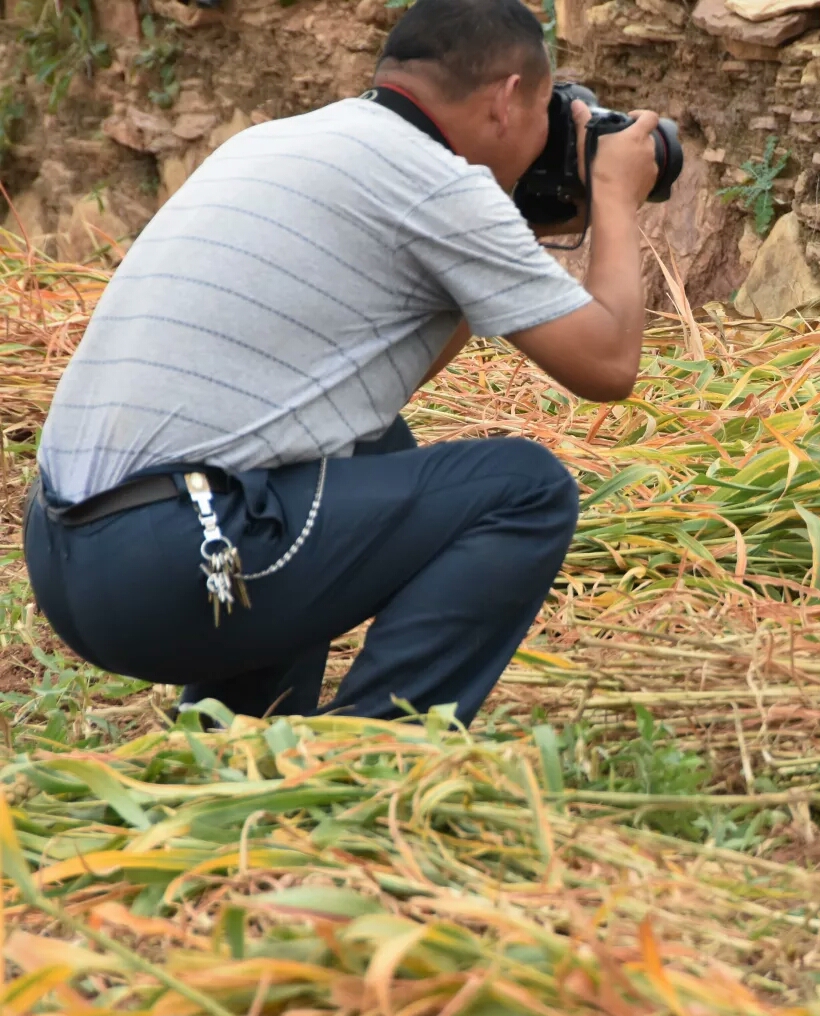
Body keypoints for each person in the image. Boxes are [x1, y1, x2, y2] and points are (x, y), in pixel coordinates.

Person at [23, 0, 661, 724]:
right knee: (525, 489)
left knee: (370, 447)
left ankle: (237, 737)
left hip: (70, 557)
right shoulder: (436, 183)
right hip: (173, 561)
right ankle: (371, 751)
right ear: (508, 98)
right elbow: (608, 366)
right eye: (550, 109)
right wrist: (613, 194)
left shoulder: (281, 140)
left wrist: (512, 238)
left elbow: (366, 384)